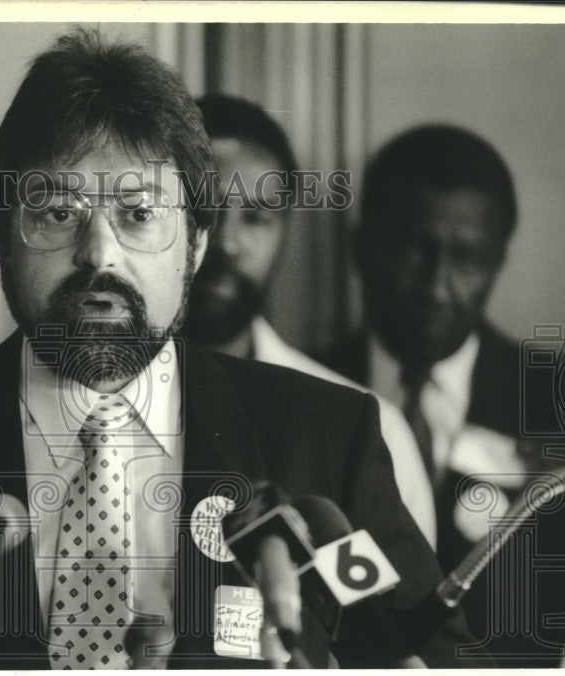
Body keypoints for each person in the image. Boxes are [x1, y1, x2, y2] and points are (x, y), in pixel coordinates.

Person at [0, 29, 482, 671]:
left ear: (195, 243)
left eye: (138, 214)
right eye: (56, 211)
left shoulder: (325, 439)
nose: (100, 256)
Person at [320, 125, 565, 665]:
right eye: (413, 250)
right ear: (361, 248)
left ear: (498, 262)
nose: (436, 286)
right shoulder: (303, 391)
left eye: (467, 258)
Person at [182, 94, 437, 549]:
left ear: (285, 230)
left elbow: (398, 617)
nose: (228, 243)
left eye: (256, 218)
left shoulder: (367, 429)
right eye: (204, 211)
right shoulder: (84, 408)